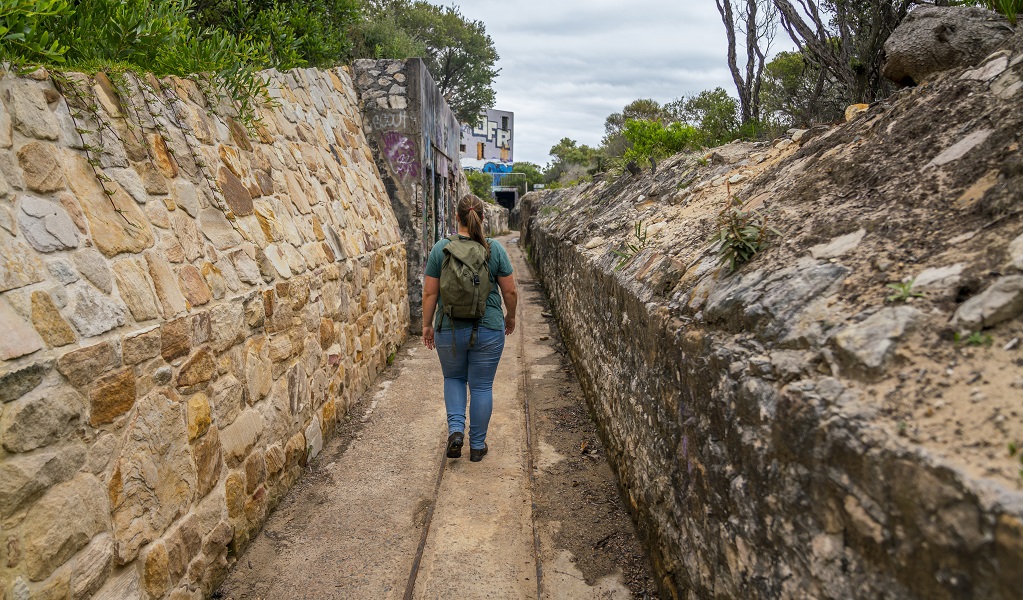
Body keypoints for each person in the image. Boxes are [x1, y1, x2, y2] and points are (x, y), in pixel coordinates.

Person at [422, 194, 517, 462]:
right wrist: (510, 317)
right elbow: (509, 290)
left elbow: (430, 294)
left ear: (457, 217)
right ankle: (477, 446)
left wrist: (427, 325)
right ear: (483, 218)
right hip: (488, 328)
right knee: (482, 387)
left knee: (453, 378)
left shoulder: (441, 248)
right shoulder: (494, 249)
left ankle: (455, 432)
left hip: (448, 329)